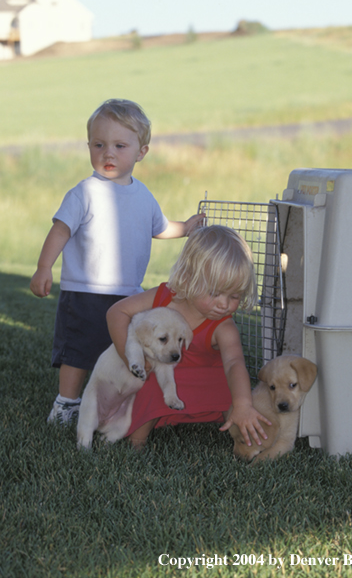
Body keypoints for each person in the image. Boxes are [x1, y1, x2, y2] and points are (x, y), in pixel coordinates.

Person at [30, 98, 204, 425]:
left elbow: (160, 227)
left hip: (128, 295)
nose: (108, 153)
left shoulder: (144, 195)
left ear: (141, 151)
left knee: (123, 351)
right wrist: (44, 267)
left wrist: (185, 227)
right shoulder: (83, 193)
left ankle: (117, 405)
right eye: (99, 144)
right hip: (85, 291)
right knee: (79, 352)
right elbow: (60, 230)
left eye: (120, 145)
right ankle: (66, 403)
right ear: (89, 147)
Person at [106, 225, 272, 449]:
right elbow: (117, 312)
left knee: (229, 389)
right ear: (187, 278)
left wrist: (243, 404)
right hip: (162, 370)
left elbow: (234, 364)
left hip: (206, 379)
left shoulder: (223, 325)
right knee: (149, 384)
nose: (224, 304)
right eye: (214, 293)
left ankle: (240, 425)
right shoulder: (163, 297)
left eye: (234, 296)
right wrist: (130, 359)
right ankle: (137, 441)